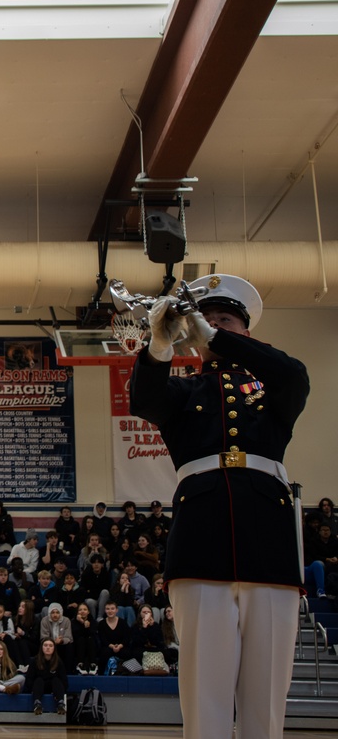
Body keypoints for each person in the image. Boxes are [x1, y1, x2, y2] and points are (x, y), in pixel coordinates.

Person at [131, 273, 310, 739]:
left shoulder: (271, 389)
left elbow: (294, 375)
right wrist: (159, 342)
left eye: (224, 319)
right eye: (203, 321)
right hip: (201, 549)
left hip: (268, 550)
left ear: (247, 332)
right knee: (202, 694)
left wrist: (219, 340)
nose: (208, 326)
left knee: (265, 698)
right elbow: (143, 398)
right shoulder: (184, 392)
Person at [28, 638, 67, 717]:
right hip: (39, 687)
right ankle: (37, 704)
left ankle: (60, 703)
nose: (48, 647)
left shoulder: (58, 661)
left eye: (50, 646)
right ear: (41, 647)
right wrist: (32, 690)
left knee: (56, 680)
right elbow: (29, 680)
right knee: (39, 680)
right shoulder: (34, 661)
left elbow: (64, 681)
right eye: (45, 645)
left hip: (54, 688)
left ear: (54, 648)